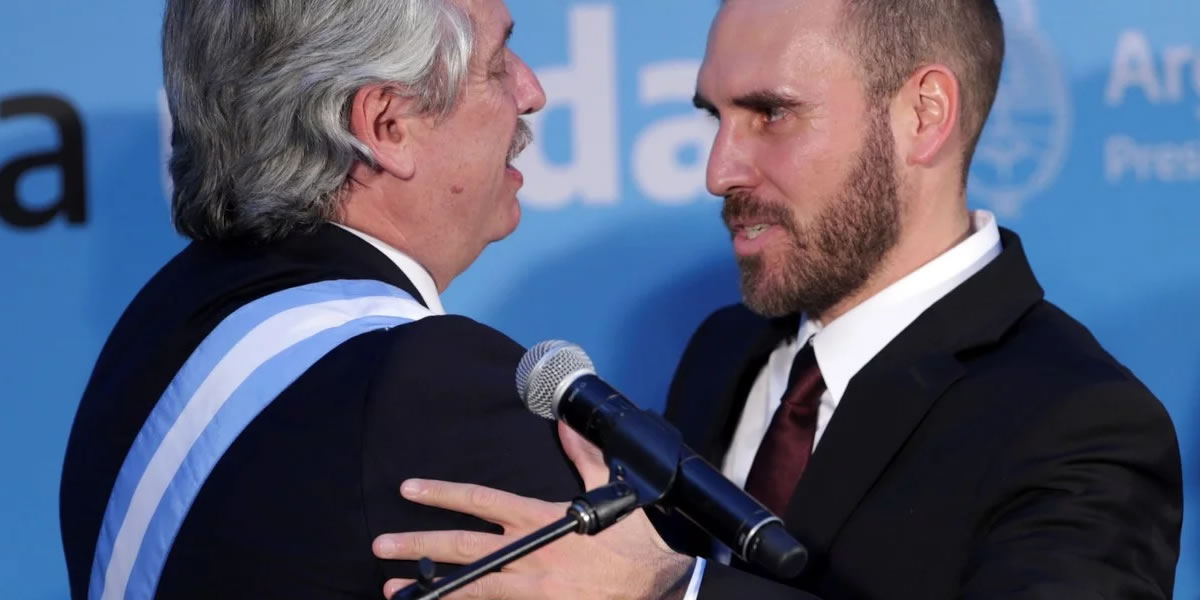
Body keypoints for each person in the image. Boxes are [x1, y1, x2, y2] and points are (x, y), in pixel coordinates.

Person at [370, 0, 1185, 598]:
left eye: (769, 114)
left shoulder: (1082, 427)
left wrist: (673, 589)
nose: (718, 170)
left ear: (924, 115)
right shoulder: (725, 349)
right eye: (714, 117)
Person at [57, 1, 583, 598]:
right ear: (387, 126)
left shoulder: (153, 330)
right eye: (496, 64)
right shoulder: (427, 387)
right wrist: (667, 579)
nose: (531, 91)